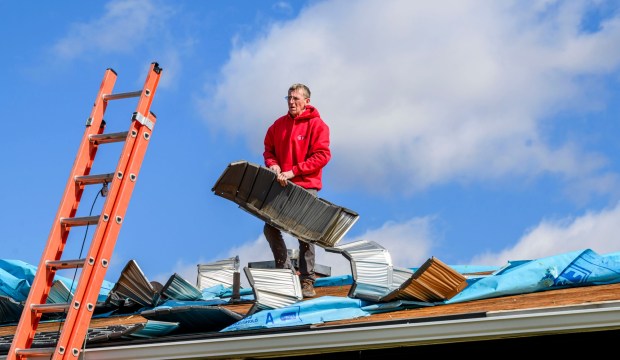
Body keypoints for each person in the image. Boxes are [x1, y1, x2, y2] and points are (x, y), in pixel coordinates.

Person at [263, 83, 331, 298]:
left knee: (306, 235)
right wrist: (273, 165)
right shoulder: (278, 125)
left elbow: (322, 156)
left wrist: (294, 171)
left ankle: (307, 281)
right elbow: (269, 150)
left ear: (307, 101)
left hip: (306, 187)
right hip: (282, 185)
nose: (291, 102)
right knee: (270, 228)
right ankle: (285, 273)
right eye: (289, 98)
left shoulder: (318, 125)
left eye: (295, 99)